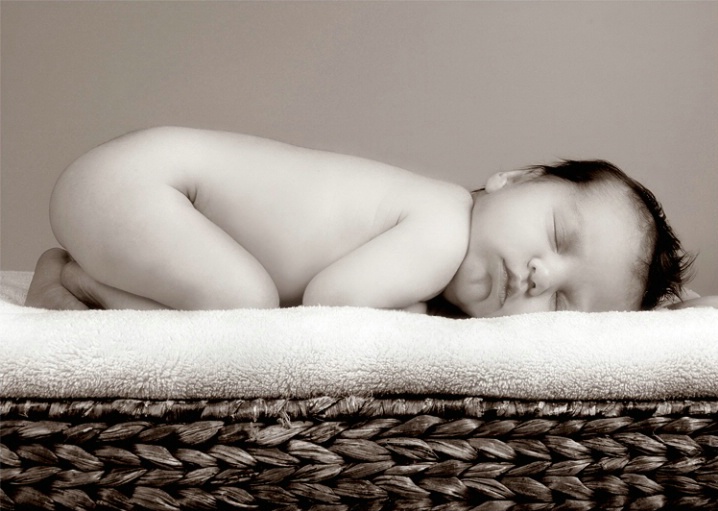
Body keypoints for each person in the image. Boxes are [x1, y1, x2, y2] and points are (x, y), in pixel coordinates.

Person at [25, 126, 704, 317]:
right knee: (242, 303)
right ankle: (79, 283)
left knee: (238, 293)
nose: (537, 274)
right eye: (558, 238)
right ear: (515, 179)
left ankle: (77, 273)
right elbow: (333, 302)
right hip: (149, 186)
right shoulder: (442, 225)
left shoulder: (439, 227)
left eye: (561, 300)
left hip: (139, 180)